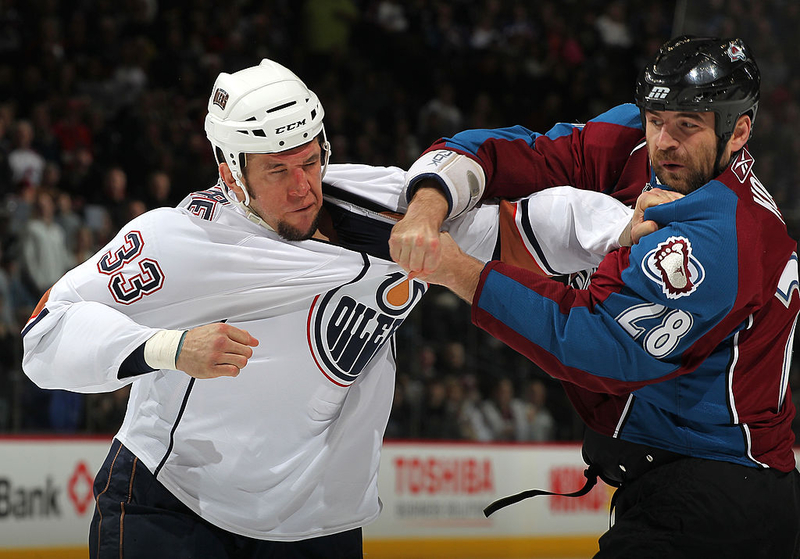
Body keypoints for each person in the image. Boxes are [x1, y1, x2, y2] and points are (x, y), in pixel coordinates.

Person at [20, 59, 659, 558]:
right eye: (278, 171)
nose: (304, 187)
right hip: (173, 509)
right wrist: (168, 349)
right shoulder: (175, 242)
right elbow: (45, 335)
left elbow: (524, 227)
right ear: (230, 170)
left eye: (311, 160)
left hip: (316, 525)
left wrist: (623, 226)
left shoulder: (382, 202)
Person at [390, 36, 800, 557]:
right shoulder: (631, 142)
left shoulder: (725, 235)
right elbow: (510, 153)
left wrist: (458, 271)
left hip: (720, 502)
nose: (664, 142)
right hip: (675, 486)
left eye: (688, 126)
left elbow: (597, 345)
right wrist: (426, 206)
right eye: (657, 119)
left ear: (739, 129)